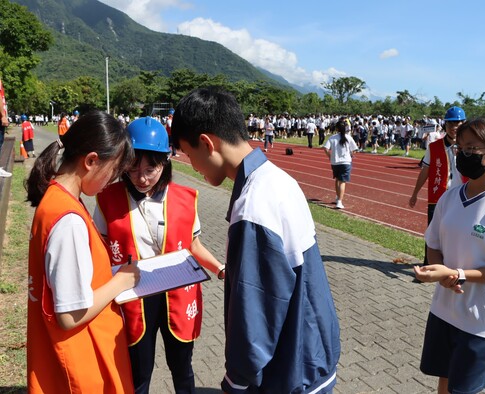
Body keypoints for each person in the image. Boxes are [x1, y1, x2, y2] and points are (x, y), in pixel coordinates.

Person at [171, 87, 341, 394]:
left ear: (207, 143)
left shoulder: (252, 205)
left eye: (188, 153)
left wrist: (236, 381)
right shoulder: (278, 178)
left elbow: (257, 311)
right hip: (314, 355)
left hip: (288, 372)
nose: (192, 166)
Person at [94, 116, 225, 394]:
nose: (141, 177)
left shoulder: (186, 198)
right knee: (138, 372)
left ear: (165, 162)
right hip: (133, 297)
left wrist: (220, 268)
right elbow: (100, 252)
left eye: (150, 168)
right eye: (132, 167)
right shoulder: (107, 199)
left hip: (178, 293)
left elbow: (194, 246)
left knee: (182, 368)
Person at [25, 110, 140, 393]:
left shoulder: (58, 199)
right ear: (90, 161)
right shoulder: (68, 219)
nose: (111, 182)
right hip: (81, 362)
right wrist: (121, 281)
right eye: (112, 173)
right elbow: (69, 314)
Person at [414, 118, 485, 394]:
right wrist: (438, 270)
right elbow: (433, 244)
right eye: (460, 148)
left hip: (481, 321)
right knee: (443, 382)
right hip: (444, 311)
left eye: (471, 149)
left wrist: (458, 275)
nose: (463, 155)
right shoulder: (450, 197)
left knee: (464, 390)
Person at [408, 106, 466, 265]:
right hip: (438, 196)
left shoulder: (470, 147)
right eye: (451, 123)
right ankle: (428, 265)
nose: (455, 127)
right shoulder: (434, 147)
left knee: (458, 232)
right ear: (445, 125)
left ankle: (453, 265)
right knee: (433, 232)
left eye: (459, 123)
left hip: (462, 197)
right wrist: (415, 193)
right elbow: (425, 171)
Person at [323, 119, 358, 209]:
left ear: (337, 128)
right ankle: (339, 201)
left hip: (335, 162)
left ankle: (338, 197)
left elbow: (325, 148)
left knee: (337, 179)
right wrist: (351, 155)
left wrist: (330, 156)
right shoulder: (348, 137)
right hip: (345, 162)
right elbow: (354, 149)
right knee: (342, 182)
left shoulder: (332, 137)